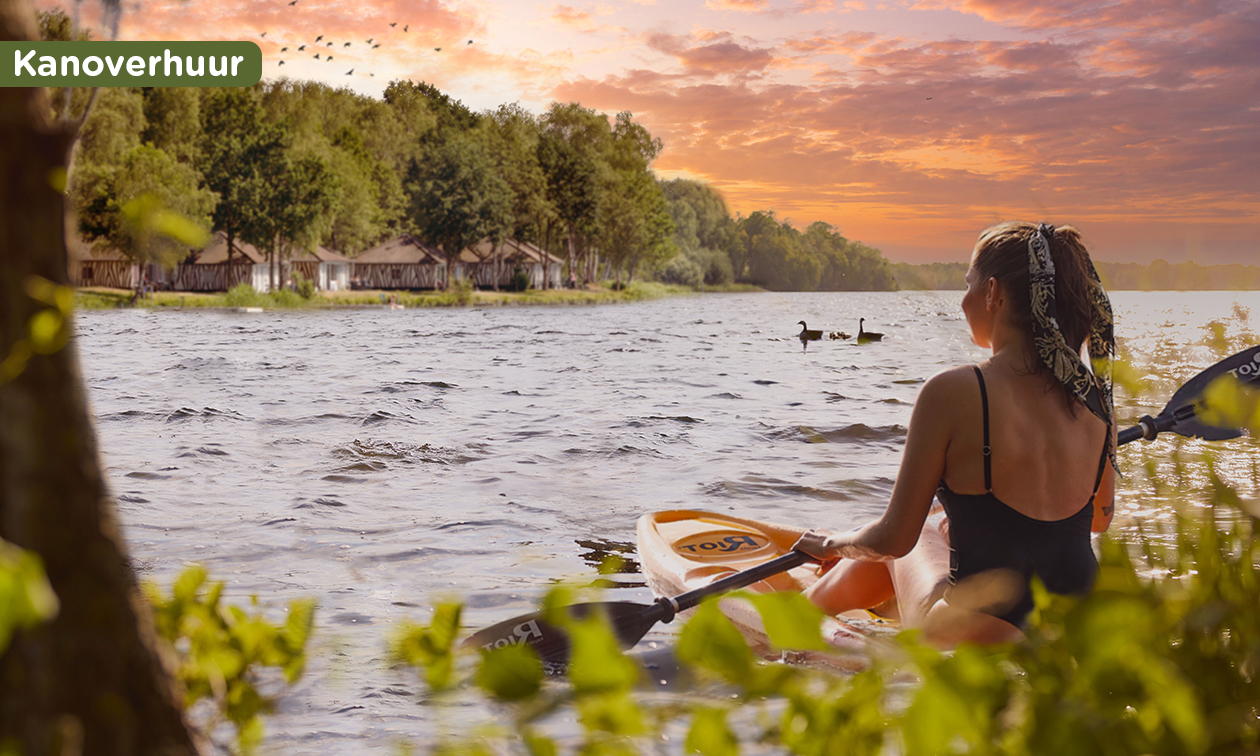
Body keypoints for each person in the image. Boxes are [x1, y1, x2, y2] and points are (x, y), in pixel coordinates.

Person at [793, 222, 1117, 647]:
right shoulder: (1093, 397)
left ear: (993, 293)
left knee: (920, 533)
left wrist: (834, 543)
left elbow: (893, 539)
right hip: (1075, 626)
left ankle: (797, 615)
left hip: (979, 628)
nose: (964, 300)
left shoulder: (953, 391)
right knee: (940, 523)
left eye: (969, 284)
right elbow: (1098, 519)